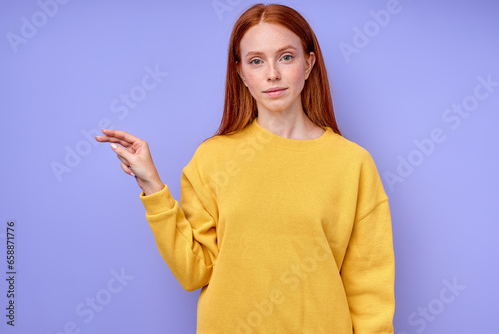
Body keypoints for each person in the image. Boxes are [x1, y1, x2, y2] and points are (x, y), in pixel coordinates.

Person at [95, 3, 395, 333]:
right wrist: (152, 185)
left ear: (309, 63)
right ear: (240, 72)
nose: (272, 74)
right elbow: (194, 270)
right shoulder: (213, 158)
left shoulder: (352, 163)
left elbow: (370, 292)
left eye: (286, 57)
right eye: (256, 61)